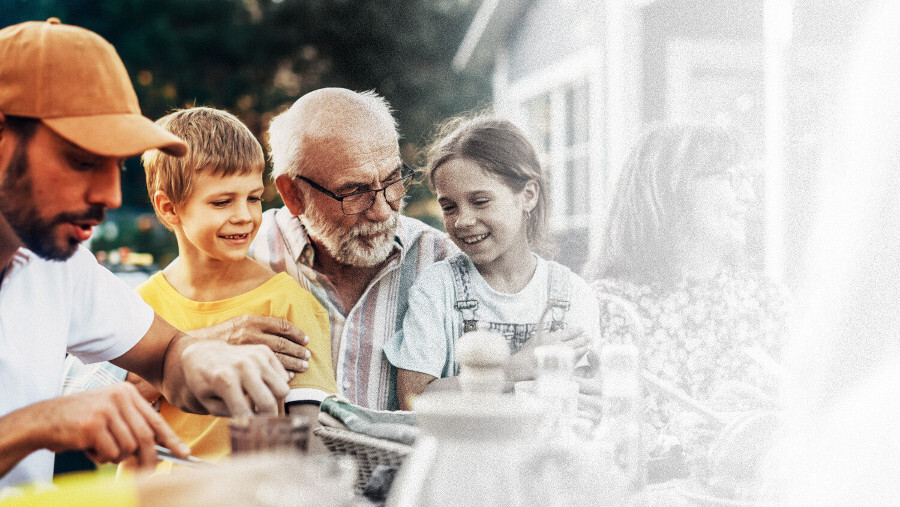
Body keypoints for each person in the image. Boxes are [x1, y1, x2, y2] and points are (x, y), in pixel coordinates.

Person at [0, 19, 291, 488]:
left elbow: (166, 355)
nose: (112, 195)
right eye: (81, 161)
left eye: (116, 165)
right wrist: (39, 424)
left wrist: (201, 360)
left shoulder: (59, 262)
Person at [67, 106, 339, 465]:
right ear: (169, 208)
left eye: (254, 197)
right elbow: (84, 416)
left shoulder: (289, 305)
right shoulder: (139, 306)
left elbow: (314, 438)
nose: (244, 214)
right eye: (222, 201)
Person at [587, 122, 788, 486]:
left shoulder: (766, 300)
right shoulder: (608, 308)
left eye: (749, 179)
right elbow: (587, 442)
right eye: (732, 178)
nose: (750, 197)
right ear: (672, 188)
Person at [247, 88, 458, 410]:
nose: (383, 211)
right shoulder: (239, 252)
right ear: (293, 194)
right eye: (354, 191)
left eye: (392, 180)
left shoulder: (446, 263)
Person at [382, 115, 599, 410]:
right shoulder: (438, 288)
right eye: (449, 207)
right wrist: (517, 369)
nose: (463, 220)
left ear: (528, 195)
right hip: (461, 454)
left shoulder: (573, 293)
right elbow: (413, 399)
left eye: (480, 201)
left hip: (546, 455)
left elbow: (587, 400)